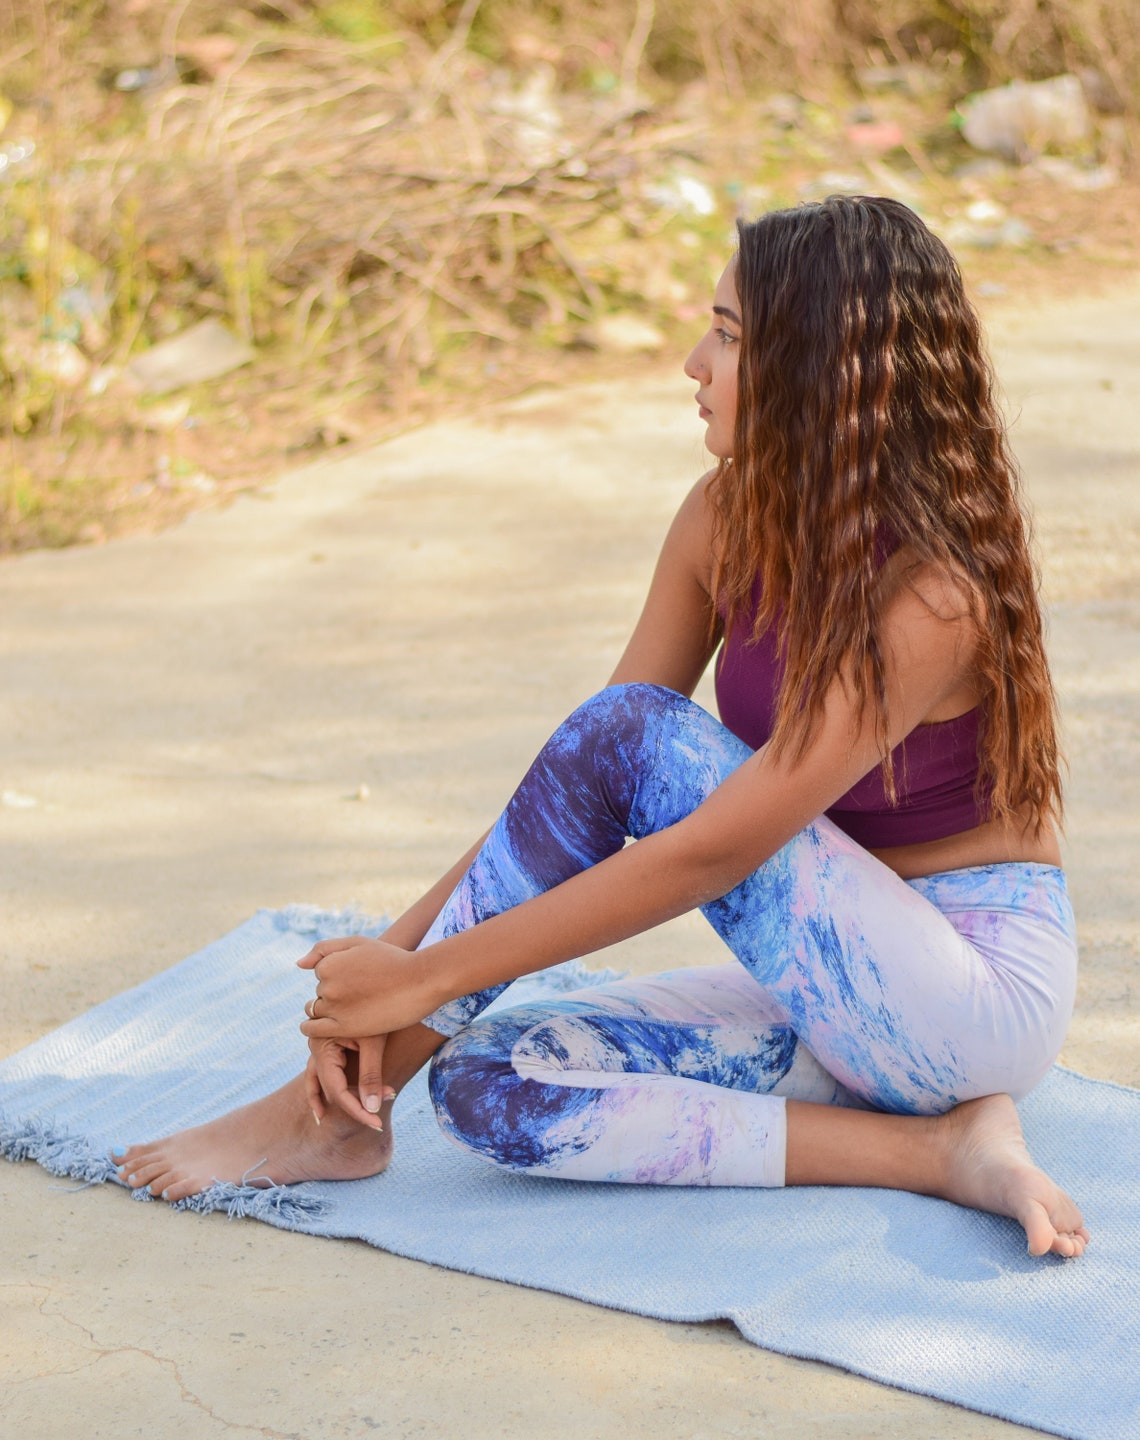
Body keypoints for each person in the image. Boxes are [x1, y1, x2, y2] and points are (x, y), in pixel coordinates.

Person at [113, 196, 1088, 1258]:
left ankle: (316, 1123)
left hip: (968, 992)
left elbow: (711, 846)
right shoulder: (724, 519)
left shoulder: (931, 595)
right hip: (829, 996)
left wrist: (424, 978)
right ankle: (936, 1153)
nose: (691, 362)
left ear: (831, 377)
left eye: (728, 336)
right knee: (493, 1081)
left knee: (636, 735)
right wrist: (381, 977)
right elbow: (566, 795)